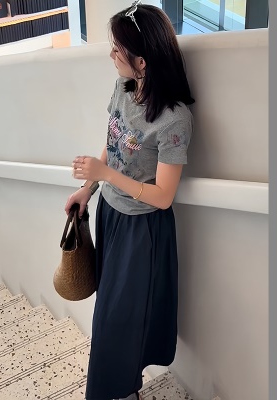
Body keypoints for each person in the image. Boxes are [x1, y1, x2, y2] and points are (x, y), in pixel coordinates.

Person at [65, 2, 195, 399]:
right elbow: (112, 145)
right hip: (111, 214)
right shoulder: (122, 89)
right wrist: (88, 190)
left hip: (144, 229)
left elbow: (164, 196)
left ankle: (117, 390)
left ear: (142, 61)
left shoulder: (174, 120)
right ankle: (124, 386)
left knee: (117, 319)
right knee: (115, 311)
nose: (110, 55)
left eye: (117, 49)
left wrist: (104, 176)